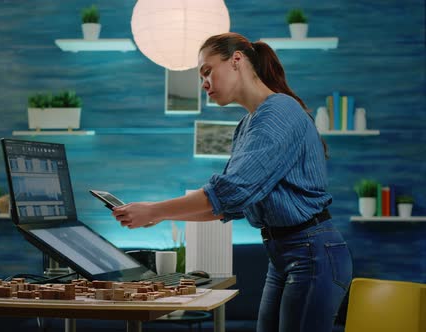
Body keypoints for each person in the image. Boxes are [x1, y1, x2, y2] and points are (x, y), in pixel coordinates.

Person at [112, 32, 353, 332]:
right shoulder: (248, 124)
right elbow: (229, 205)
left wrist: (155, 211)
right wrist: (160, 215)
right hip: (285, 256)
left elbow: (230, 192)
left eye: (207, 71)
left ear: (236, 60)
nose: (203, 84)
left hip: (311, 253)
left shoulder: (279, 112)